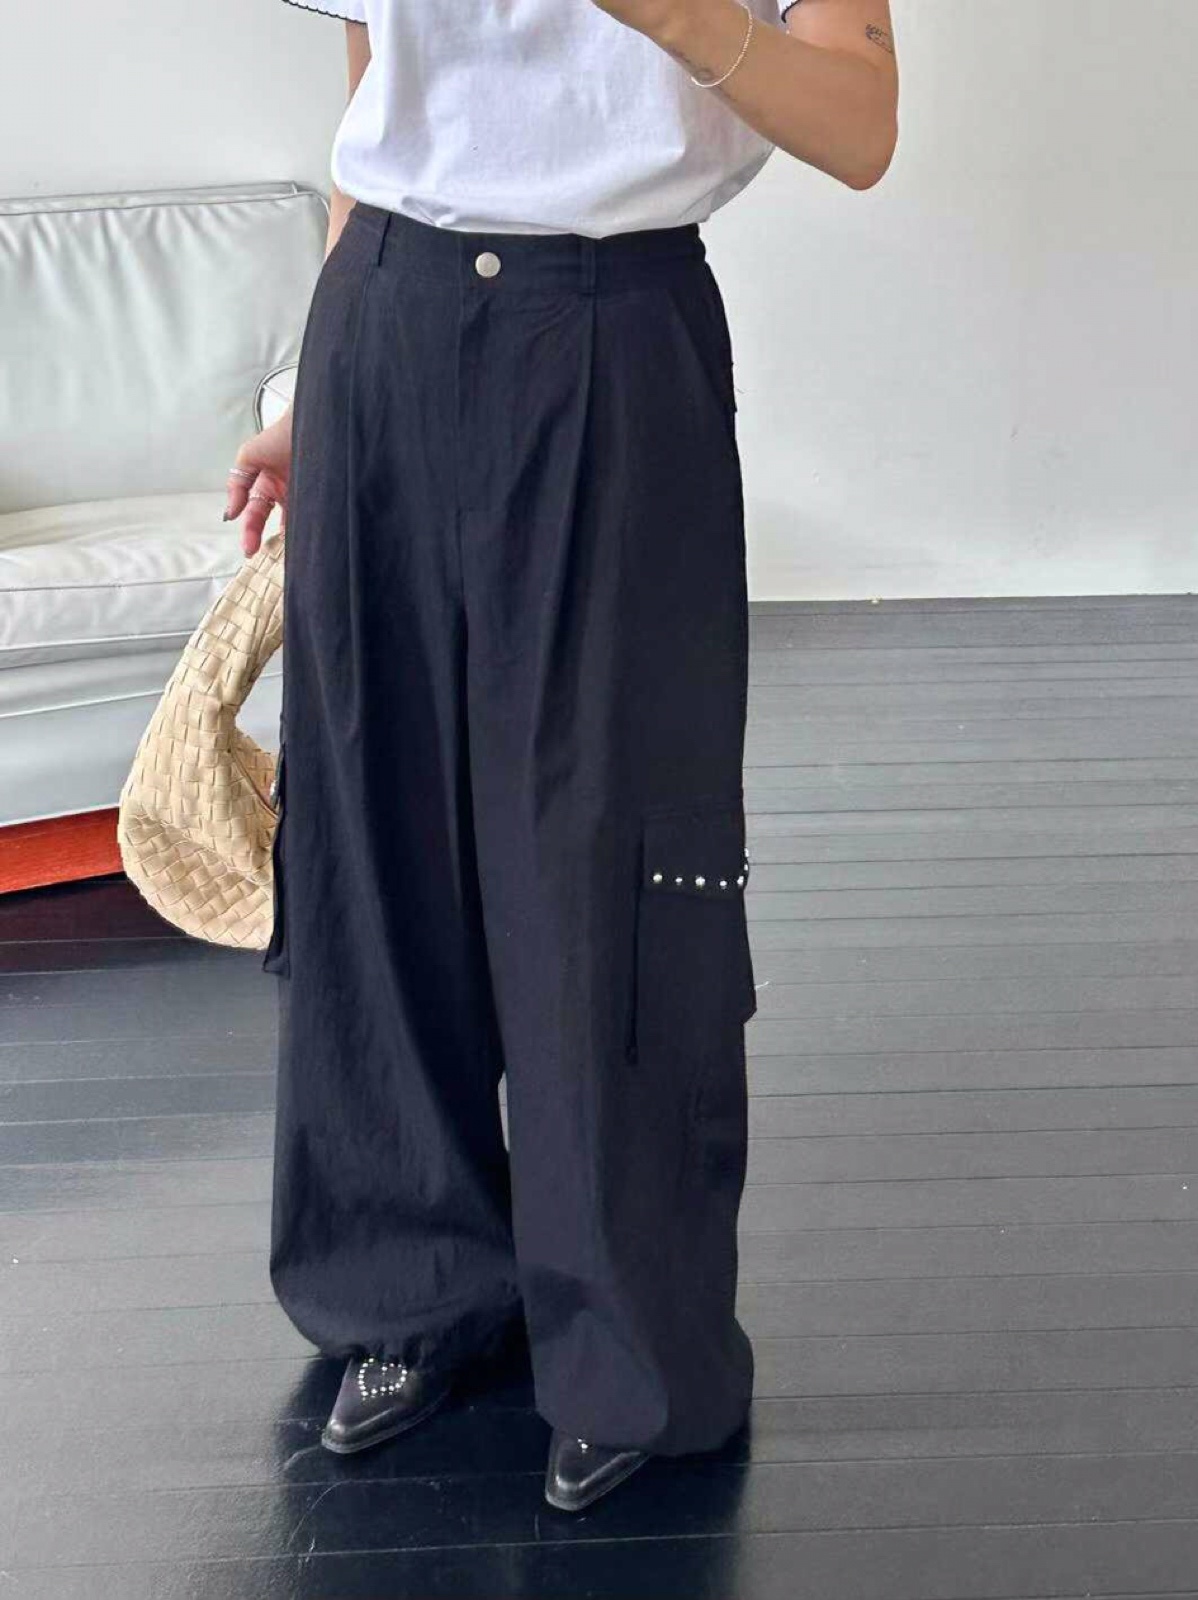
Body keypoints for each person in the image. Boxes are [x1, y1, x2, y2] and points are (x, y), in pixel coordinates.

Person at [225, 0, 898, 1514]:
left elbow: (863, 126)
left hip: (615, 327)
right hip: (384, 324)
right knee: (376, 833)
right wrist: (310, 405)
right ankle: (409, 1295)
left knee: (612, 856)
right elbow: (379, 97)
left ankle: (631, 1350)